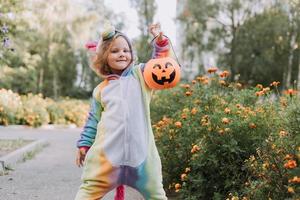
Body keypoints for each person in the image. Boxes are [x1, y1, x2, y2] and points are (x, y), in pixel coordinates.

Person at [75, 23, 177, 200]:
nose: (122, 54)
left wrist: (160, 43)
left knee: (157, 195)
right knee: (86, 194)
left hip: (143, 162)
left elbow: (159, 66)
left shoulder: (141, 77)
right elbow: (93, 121)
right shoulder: (101, 90)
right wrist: (84, 144)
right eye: (114, 51)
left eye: (126, 50)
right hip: (105, 161)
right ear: (104, 57)